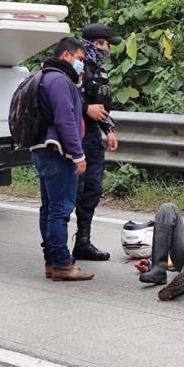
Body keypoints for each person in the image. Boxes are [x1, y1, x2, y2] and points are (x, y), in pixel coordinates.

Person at [30, 37, 94, 281]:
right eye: (79, 59)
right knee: (60, 210)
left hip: (42, 150)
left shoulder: (44, 76)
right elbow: (66, 120)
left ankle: (52, 261)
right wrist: (79, 155)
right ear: (66, 56)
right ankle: (61, 264)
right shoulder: (59, 80)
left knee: (48, 208)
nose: (81, 65)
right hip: (57, 153)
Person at [72, 23, 121, 261]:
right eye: (103, 44)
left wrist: (109, 130)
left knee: (93, 189)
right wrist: (85, 109)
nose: (107, 50)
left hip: (92, 137)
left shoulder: (99, 70)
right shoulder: (75, 66)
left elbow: (101, 106)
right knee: (72, 192)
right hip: (73, 136)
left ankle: (83, 242)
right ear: (91, 43)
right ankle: (57, 251)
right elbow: (62, 98)